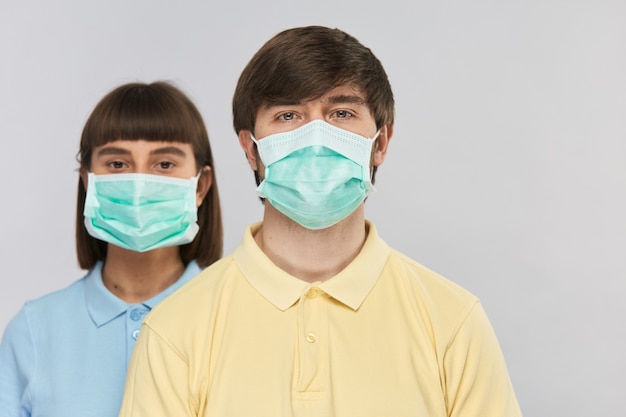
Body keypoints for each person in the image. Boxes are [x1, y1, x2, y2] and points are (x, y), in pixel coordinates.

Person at [118, 26, 522, 417]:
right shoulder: (174, 330)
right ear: (250, 149)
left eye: (341, 113)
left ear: (379, 143)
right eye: (288, 115)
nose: (315, 136)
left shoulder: (452, 321)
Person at [0, 81, 223, 417]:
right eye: (118, 165)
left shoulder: (235, 316)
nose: (139, 185)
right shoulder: (34, 330)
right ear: (89, 180)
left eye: (164, 165)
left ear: (200, 185)